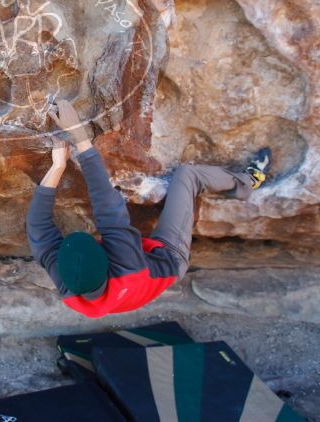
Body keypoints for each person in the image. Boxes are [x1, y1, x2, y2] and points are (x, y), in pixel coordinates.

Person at [27, 99, 271, 318]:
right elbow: (106, 205)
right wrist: (78, 135)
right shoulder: (125, 263)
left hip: (134, 282)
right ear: (107, 256)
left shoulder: (68, 281)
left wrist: (57, 167)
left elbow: (38, 227)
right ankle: (247, 182)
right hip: (168, 259)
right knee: (188, 176)